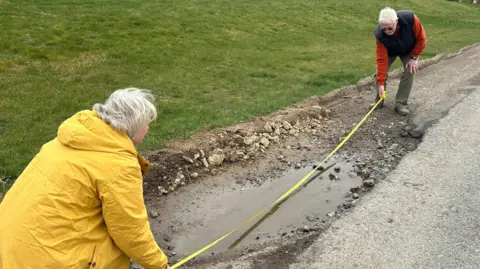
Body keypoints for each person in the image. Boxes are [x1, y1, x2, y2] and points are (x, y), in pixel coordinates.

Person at [0, 88, 170, 269]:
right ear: (134, 126)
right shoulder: (118, 164)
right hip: (47, 260)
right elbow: (130, 231)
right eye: (146, 123)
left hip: (11, 247)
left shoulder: (63, 142)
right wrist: (159, 265)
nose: (148, 128)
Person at [373, 7, 427, 115]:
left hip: (409, 49)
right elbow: (381, 60)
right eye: (384, 29)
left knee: (410, 70)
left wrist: (414, 58)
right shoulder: (379, 35)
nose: (387, 31)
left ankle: (400, 104)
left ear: (396, 21)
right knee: (380, 74)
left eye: (389, 28)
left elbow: (422, 39)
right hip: (390, 51)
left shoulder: (411, 19)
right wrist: (380, 82)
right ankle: (379, 101)